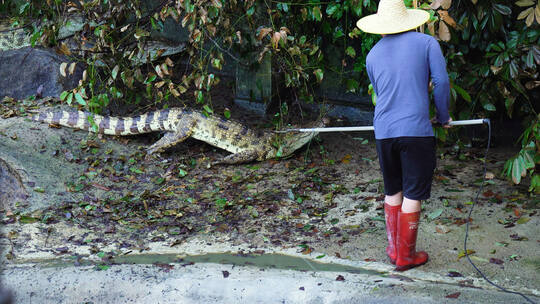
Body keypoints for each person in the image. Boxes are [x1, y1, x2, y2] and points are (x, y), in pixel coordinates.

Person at [356, 0, 452, 271]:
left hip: (384, 131)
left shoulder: (372, 55)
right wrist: (443, 116)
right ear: (408, 19)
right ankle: (406, 256)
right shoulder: (426, 44)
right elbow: (442, 82)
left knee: (393, 189)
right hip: (415, 132)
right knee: (412, 192)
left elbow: (381, 93)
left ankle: (393, 249)